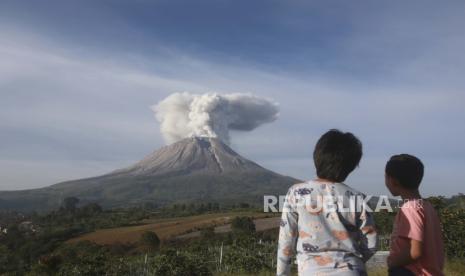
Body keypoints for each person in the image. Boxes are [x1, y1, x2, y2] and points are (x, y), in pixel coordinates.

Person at [277, 129, 378, 276]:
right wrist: (354, 262)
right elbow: (372, 243)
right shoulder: (358, 197)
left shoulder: (296, 192)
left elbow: (286, 242)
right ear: (351, 166)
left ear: (317, 157)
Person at [385, 154, 444, 276]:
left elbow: (415, 251)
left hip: (412, 272)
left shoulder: (410, 208)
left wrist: (392, 262)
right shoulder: (427, 206)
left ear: (393, 181)